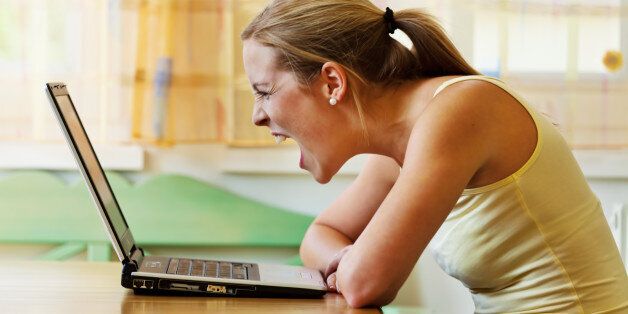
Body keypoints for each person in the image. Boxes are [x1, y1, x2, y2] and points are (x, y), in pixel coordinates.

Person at [240, 0, 628, 311]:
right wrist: (348, 261)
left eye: (264, 91)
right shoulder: (400, 145)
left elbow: (364, 286)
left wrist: (352, 269)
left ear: (332, 83)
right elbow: (319, 237)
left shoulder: (461, 110)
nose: (257, 116)